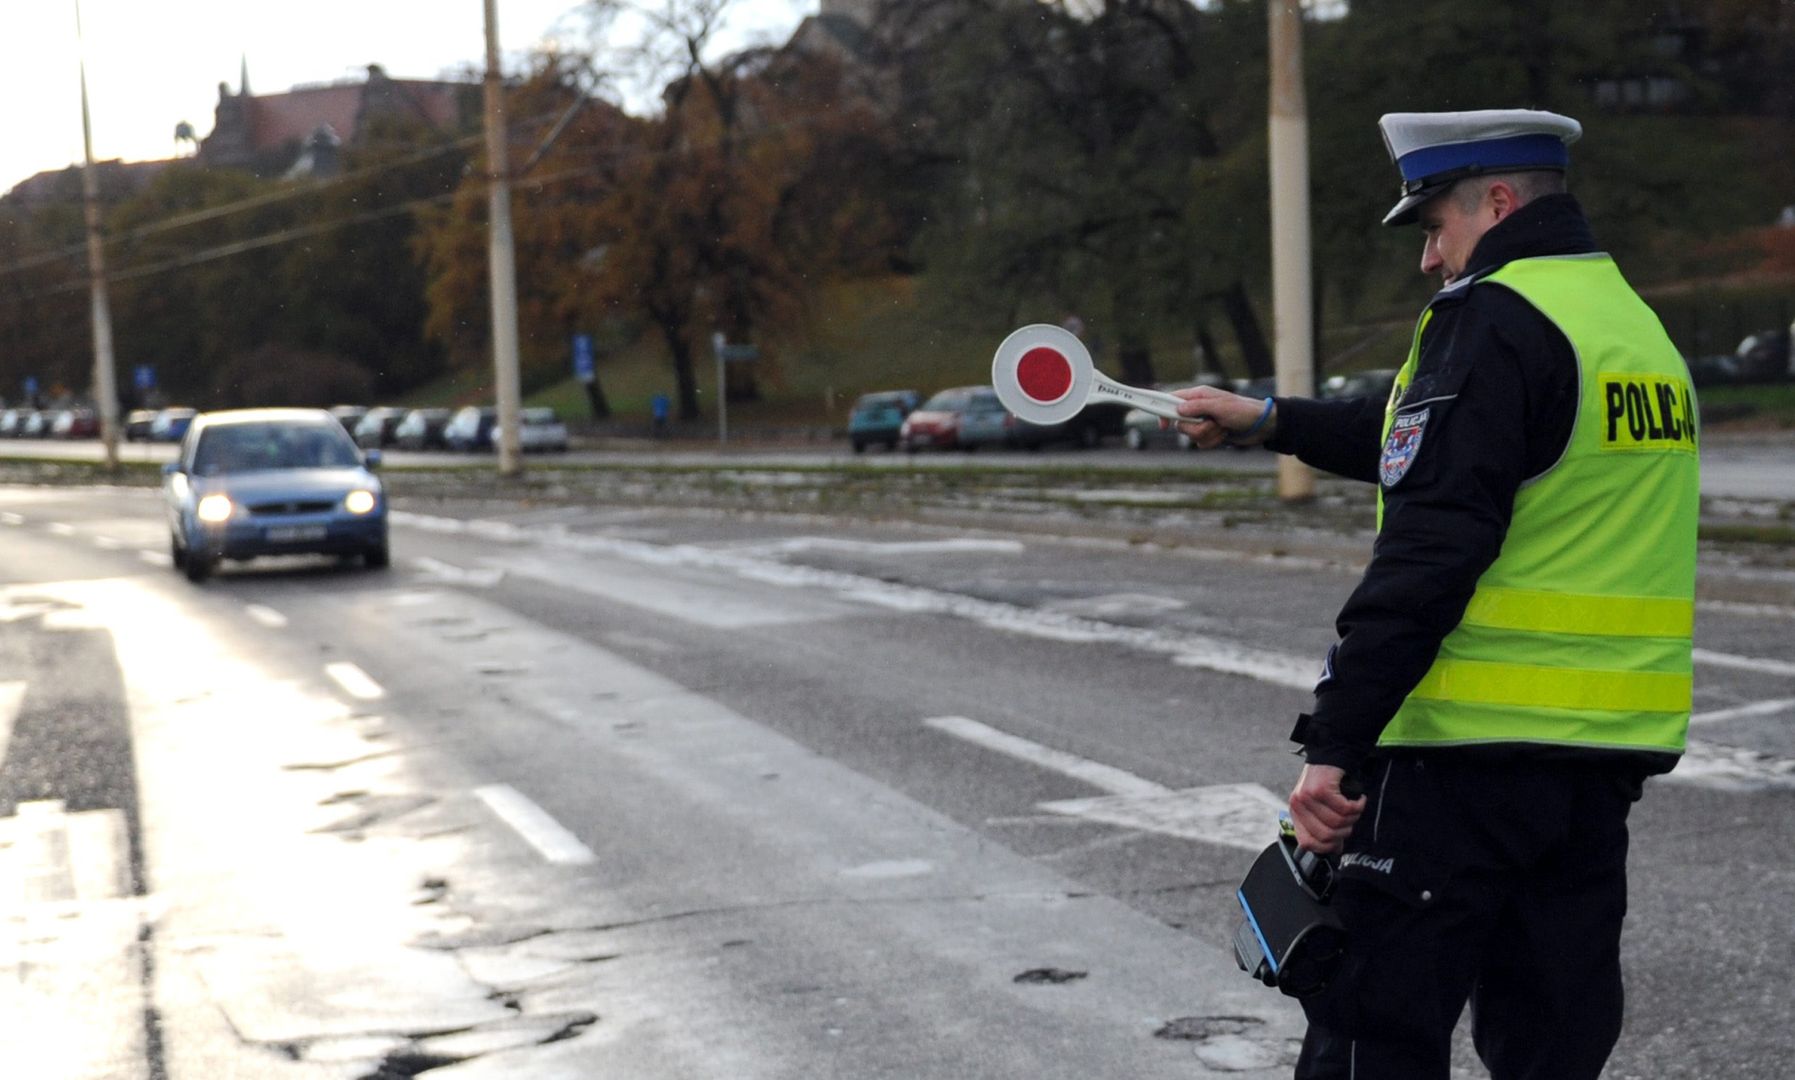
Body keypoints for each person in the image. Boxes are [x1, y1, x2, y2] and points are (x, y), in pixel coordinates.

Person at [1174, 109, 1700, 1080]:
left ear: (1494, 204)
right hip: (1596, 761)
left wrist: (1333, 742)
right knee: (1550, 1046)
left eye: (1433, 226)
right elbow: (1434, 437)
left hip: (1461, 763)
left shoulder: (1491, 316)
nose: (1428, 258)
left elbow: (1431, 546)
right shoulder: (1630, 330)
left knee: (1372, 1038)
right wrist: (1271, 420)